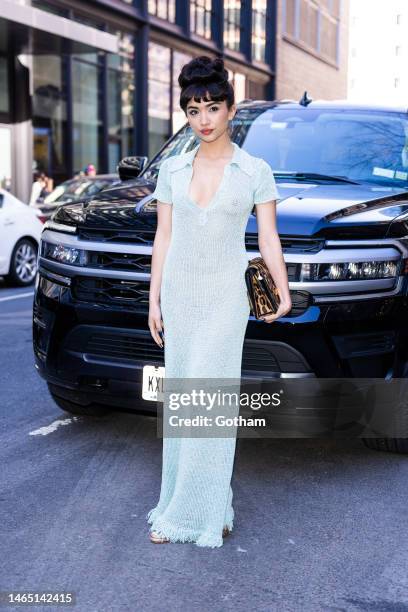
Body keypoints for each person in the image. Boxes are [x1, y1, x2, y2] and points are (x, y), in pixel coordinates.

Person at [147, 55, 292, 548]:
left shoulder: (255, 170)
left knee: (209, 403)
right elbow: (163, 238)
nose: (203, 119)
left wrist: (284, 289)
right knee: (185, 399)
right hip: (181, 293)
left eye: (212, 107)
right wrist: (154, 301)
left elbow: (268, 238)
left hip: (226, 297)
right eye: (193, 110)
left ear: (231, 108)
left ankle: (192, 516)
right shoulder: (172, 167)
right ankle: (202, 504)